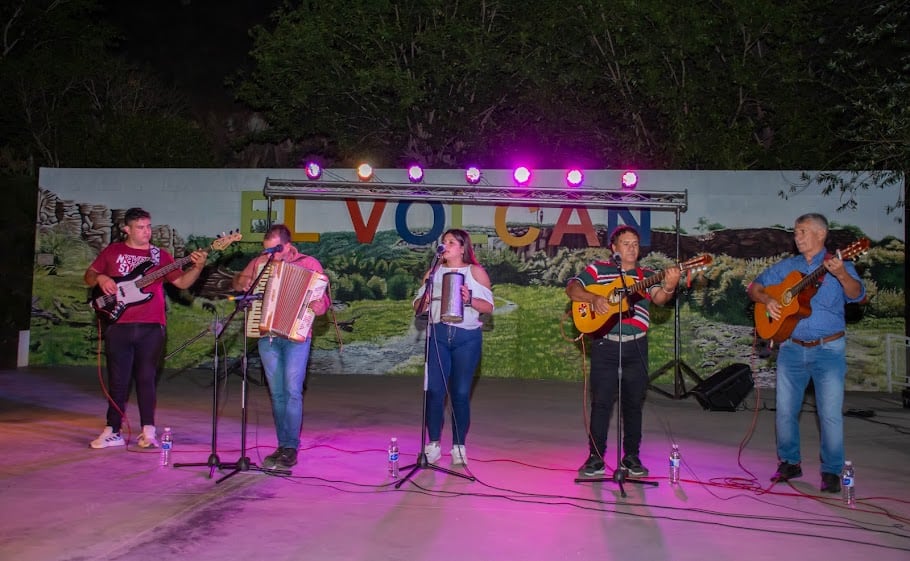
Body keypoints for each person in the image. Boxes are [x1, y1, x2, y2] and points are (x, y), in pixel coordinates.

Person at [748, 213, 865, 493]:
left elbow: (858, 294)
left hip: (829, 349)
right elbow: (754, 287)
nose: (796, 237)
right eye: (796, 232)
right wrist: (768, 299)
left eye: (802, 232)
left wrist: (840, 274)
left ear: (821, 235)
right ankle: (790, 462)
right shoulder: (789, 266)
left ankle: (832, 471)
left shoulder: (841, 264)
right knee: (785, 411)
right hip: (791, 349)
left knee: (830, 414)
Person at [85, 207, 208, 449]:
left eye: (149, 226)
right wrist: (101, 279)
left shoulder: (159, 255)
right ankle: (112, 430)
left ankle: (148, 431)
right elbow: (89, 275)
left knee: (146, 378)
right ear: (126, 229)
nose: (146, 232)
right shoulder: (113, 251)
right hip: (118, 323)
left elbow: (181, 282)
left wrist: (198, 267)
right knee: (118, 380)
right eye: (140, 227)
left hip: (152, 325)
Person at [566, 225, 680, 477]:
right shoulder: (598, 269)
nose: (631, 248)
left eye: (635, 244)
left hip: (636, 345)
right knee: (602, 403)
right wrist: (593, 299)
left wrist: (670, 286)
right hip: (606, 345)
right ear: (614, 248)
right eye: (626, 243)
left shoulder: (646, 275)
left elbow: (659, 298)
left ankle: (631, 457)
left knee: (633, 404)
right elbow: (572, 288)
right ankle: (595, 458)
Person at [232, 224, 331, 471]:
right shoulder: (260, 264)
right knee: (276, 394)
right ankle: (283, 443)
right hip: (268, 335)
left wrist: (321, 307)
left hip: (297, 336)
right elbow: (238, 283)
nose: (270, 255)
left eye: (274, 250)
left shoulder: (309, 264)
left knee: (292, 391)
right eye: (266, 250)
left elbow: (323, 300)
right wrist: (244, 283)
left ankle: (291, 447)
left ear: (288, 246)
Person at [412, 229, 494, 465]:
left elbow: (488, 307)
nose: (445, 246)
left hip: (466, 338)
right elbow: (417, 306)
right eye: (443, 242)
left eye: (451, 242)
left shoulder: (475, 272)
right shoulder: (433, 273)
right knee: (435, 392)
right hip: (437, 336)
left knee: (459, 393)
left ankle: (458, 446)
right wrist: (424, 300)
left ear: (462, 248)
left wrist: (469, 300)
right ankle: (433, 444)